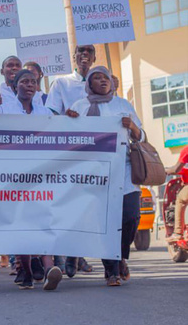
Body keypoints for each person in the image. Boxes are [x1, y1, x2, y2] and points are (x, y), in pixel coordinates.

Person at [0, 69, 63, 291]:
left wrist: (70, 120)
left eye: (33, 82)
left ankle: (49, 269)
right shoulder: (3, 110)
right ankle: (26, 270)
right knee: (21, 224)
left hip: (40, 176)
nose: (30, 85)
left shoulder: (45, 111)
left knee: (43, 220)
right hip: (13, 176)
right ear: (14, 86)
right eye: (25, 81)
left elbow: (57, 136)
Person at [66, 66, 144, 287]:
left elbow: (142, 135)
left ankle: (121, 257)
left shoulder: (123, 105)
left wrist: (133, 128)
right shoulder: (79, 107)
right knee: (105, 222)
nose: (102, 81)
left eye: (105, 78)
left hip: (125, 168)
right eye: (96, 78)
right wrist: (68, 120)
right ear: (88, 84)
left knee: (131, 216)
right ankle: (111, 271)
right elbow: (69, 140)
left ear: (111, 82)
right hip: (96, 172)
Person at [46, 45, 97, 276]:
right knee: (64, 206)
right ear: (73, 58)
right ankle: (63, 255)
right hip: (68, 154)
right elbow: (52, 115)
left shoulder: (101, 82)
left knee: (84, 208)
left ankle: (75, 255)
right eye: (80, 53)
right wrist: (68, 119)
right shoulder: (62, 83)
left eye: (88, 53)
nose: (84, 56)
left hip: (95, 154)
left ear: (95, 58)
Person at [46, 44, 95, 115]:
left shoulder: (99, 85)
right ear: (74, 57)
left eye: (90, 51)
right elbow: (52, 113)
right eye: (81, 50)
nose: (85, 53)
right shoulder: (60, 83)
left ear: (94, 58)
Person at [165, 146, 188, 242]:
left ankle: (178, 233)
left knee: (180, 199)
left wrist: (165, 170)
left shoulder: (186, 150)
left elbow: (175, 169)